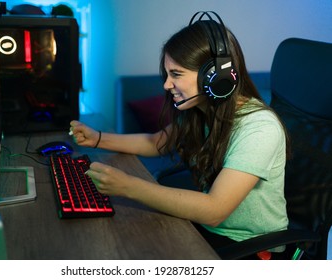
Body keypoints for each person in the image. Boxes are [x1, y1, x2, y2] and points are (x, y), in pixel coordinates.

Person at [69, 11, 289, 259]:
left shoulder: (259, 127)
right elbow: (156, 142)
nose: (166, 85)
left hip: (248, 246)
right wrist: (97, 138)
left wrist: (128, 187)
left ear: (215, 78)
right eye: (167, 74)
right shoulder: (201, 110)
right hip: (208, 227)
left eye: (176, 74)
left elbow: (215, 209)